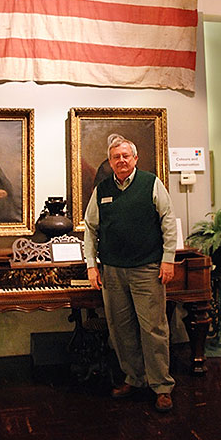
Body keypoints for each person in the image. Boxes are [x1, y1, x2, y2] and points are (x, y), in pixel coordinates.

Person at [84, 134, 177, 412]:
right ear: (110, 162)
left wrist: (168, 259)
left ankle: (161, 386)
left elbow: (168, 222)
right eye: (116, 157)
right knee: (120, 330)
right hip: (112, 272)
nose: (121, 160)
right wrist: (91, 264)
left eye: (126, 156)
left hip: (147, 269)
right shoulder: (101, 190)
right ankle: (134, 378)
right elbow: (90, 228)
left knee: (153, 329)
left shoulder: (151, 184)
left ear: (135, 158)